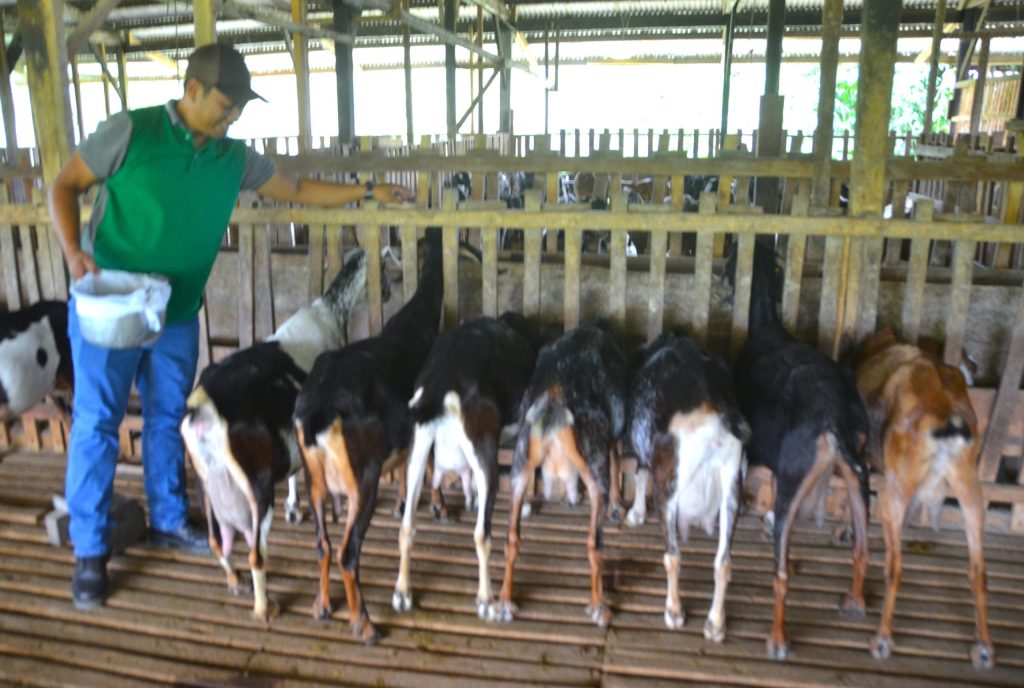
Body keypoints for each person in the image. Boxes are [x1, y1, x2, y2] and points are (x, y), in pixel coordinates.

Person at [47, 43, 412, 611]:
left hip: (176, 310)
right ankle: (90, 553)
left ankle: (169, 518)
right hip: (113, 305)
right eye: (224, 105)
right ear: (191, 88)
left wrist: (366, 192)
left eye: (239, 108)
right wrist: (74, 252)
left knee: (171, 416)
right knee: (98, 422)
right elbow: (63, 185)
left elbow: (293, 190)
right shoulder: (131, 132)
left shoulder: (233, 158)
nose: (231, 117)